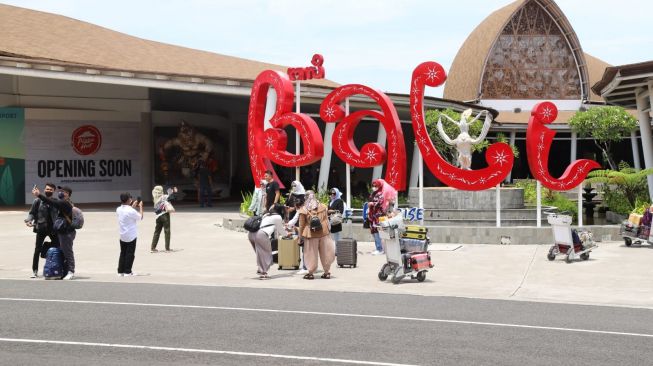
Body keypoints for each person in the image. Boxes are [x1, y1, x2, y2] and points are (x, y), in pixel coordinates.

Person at [31, 185, 77, 280]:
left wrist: (39, 195)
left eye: (64, 192)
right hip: (55, 230)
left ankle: (70, 271)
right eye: (61, 191)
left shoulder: (65, 203)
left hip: (65, 231)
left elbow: (50, 201)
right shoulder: (62, 202)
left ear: (68, 195)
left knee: (67, 252)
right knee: (61, 250)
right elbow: (34, 212)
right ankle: (64, 270)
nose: (61, 193)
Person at [24, 183, 59, 278]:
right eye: (47, 189)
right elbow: (32, 213)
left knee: (59, 248)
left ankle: (59, 269)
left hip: (53, 230)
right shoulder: (37, 201)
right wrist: (28, 220)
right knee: (37, 250)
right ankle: (34, 271)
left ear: (54, 191)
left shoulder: (56, 202)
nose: (48, 191)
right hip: (41, 229)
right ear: (44, 190)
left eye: (51, 189)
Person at [298, 190, 335, 280]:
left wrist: (300, 237)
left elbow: (301, 225)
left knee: (311, 253)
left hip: (311, 234)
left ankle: (310, 272)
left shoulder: (304, 209)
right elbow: (326, 220)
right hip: (323, 232)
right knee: (325, 253)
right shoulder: (323, 206)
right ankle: (326, 272)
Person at [247, 204, 286, 280]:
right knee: (266, 253)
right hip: (261, 234)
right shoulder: (278, 217)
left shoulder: (266, 215)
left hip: (251, 234)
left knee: (260, 253)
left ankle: (260, 269)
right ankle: (263, 273)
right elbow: (281, 230)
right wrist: (287, 234)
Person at [367, 179, 398, 255]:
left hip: (378, 216)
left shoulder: (381, 194)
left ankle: (380, 249)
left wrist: (372, 203)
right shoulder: (373, 193)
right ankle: (379, 248)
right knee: (374, 232)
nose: (374, 187)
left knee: (378, 232)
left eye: (376, 186)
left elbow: (380, 203)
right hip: (372, 216)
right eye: (373, 186)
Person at [116, 192, 144, 277]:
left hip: (122, 235)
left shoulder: (118, 209)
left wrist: (132, 206)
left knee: (123, 253)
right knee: (130, 254)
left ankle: (120, 271)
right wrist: (141, 206)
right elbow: (140, 217)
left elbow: (127, 213)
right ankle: (128, 271)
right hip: (131, 235)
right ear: (128, 200)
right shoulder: (131, 210)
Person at [151, 185, 178, 253]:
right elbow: (170, 193)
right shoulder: (163, 197)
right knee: (167, 231)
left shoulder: (154, 197)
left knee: (157, 232)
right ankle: (167, 248)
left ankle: (153, 248)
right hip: (164, 215)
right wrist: (173, 190)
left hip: (158, 217)